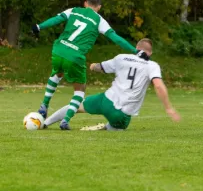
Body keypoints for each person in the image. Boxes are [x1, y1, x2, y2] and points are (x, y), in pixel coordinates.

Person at [31, 0, 137, 123]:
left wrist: (39, 26)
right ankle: (66, 120)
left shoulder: (73, 10)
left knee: (57, 74)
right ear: (99, 7)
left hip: (59, 49)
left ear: (85, 3)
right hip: (75, 55)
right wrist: (134, 50)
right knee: (80, 88)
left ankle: (44, 105)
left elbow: (56, 19)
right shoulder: (99, 20)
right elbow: (116, 38)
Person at [44, 38, 180, 130]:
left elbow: (99, 67)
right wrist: (168, 108)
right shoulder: (152, 65)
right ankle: (106, 128)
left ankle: (45, 123)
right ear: (150, 53)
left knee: (75, 106)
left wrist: (92, 66)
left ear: (136, 48)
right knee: (119, 126)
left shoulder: (121, 58)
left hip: (106, 100)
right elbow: (158, 85)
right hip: (121, 114)